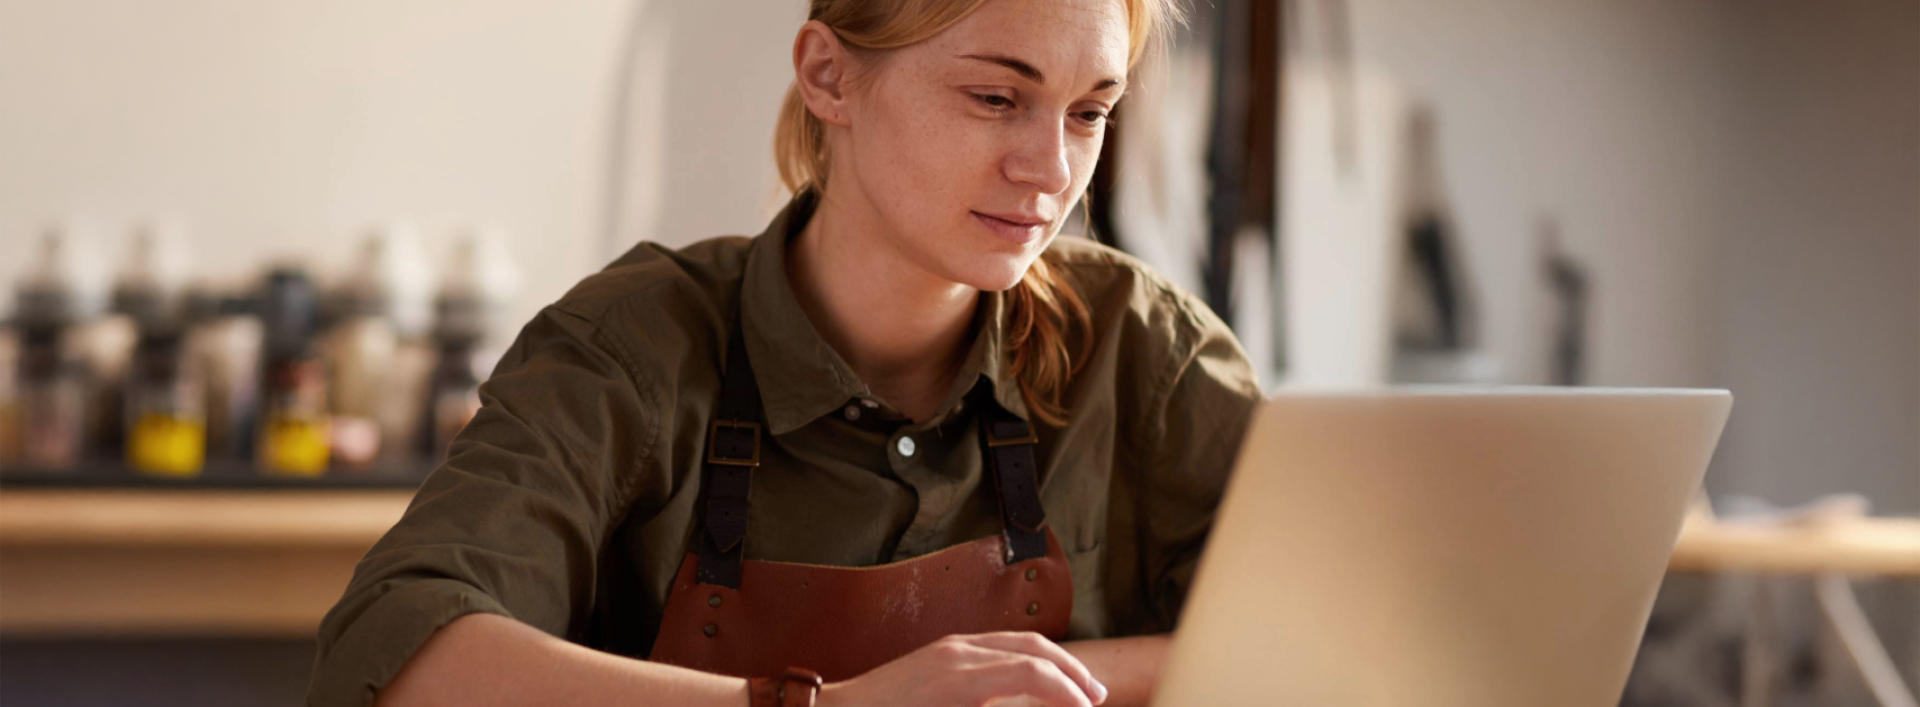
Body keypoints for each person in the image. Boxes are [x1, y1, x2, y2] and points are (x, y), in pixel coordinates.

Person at [307, 0, 1261, 705]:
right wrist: (825, 704)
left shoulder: (1150, 356)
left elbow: (1333, 639)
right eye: (995, 96)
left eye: (1089, 111)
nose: (1050, 169)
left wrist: (1031, 684)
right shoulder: (630, 350)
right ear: (828, 75)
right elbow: (396, 649)